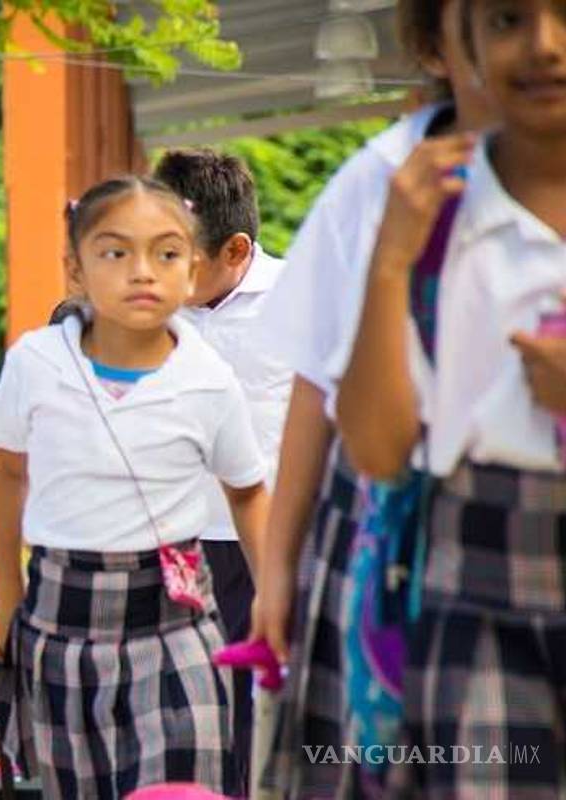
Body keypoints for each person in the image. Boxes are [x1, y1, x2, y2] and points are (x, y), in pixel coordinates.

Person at [248, 1, 493, 795]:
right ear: (434, 44)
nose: (544, 49)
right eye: (506, 20)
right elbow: (316, 385)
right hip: (385, 532)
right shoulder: (381, 179)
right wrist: (277, 571)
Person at [339, 1, 566, 795]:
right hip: (477, 579)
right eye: (507, 19)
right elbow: (377, 450)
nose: (545, 46)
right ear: (457, 43)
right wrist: (392, 259)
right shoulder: (427, 209)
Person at [0, 175, 270, 799]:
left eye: (166, 253)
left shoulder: (209, 377)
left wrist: (274, 599)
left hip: (177, 619)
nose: (143, 271)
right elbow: (5, 473)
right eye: (115, 252)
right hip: (61, 616)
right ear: (76, 269)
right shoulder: (36, 363)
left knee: (184, 785)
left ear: (191, 268)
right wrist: (8, 596)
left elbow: (248, 493)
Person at [153, 148, 292, 794]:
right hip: (166, 545)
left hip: (263, 547)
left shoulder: (299, 302)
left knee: (247, 722)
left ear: (235, 250)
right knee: (173, 723)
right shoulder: (147, 312)